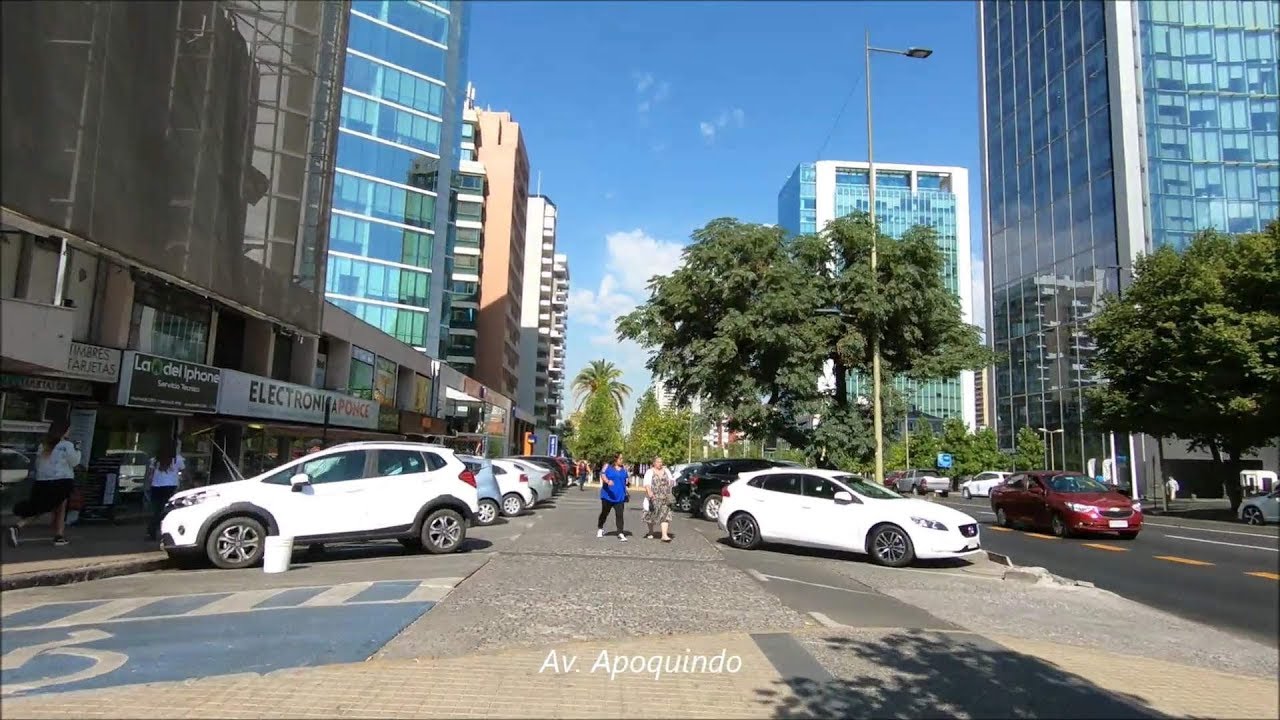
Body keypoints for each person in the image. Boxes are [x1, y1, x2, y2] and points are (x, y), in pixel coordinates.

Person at [8, 420, 81, 547]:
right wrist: (78, 450)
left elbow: (38, 463)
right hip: (61, 481)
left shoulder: (44, 445)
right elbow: (74, 462)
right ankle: (19, 527)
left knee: (44, 506)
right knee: (51, 507)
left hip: (42, 482)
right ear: (64, 431)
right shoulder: (67, 445)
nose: (70, 431)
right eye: (69, 429)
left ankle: (59, 535)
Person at [144, 438, 186, 542]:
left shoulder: (155, 459)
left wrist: (148, 486)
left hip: (156, 486)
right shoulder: (177, 459)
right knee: (168, 511)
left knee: (156, 510)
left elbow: (150, 475)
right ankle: (166, 533)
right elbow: (185, 473)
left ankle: (151, 531)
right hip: (171, 487)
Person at [642, 456, 675, 542]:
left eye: (661, 462)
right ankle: (650, 531)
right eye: (658, 462)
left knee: (665, 515)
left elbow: (672, 481)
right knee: (651, 515)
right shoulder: (650, 472)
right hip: (654, 497)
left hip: (665, 497)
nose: (660, 463)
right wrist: (649, 492)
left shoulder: (666, 471)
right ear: (654, 463)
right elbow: (647, 483)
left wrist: (671, 483)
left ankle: (664, 535)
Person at [597, 453, 628, 541]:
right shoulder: (607, 466)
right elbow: (602, 474)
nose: (622, 460)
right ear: (615, 459)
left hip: (619, 496)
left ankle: (620, 532)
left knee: (620, 515)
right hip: (608, 495)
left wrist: (627, 482)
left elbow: (626, 478)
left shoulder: (624, 469)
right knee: (605, 513)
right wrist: (607, 481)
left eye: (622, 459)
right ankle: (600, 528)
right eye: (620, 459)